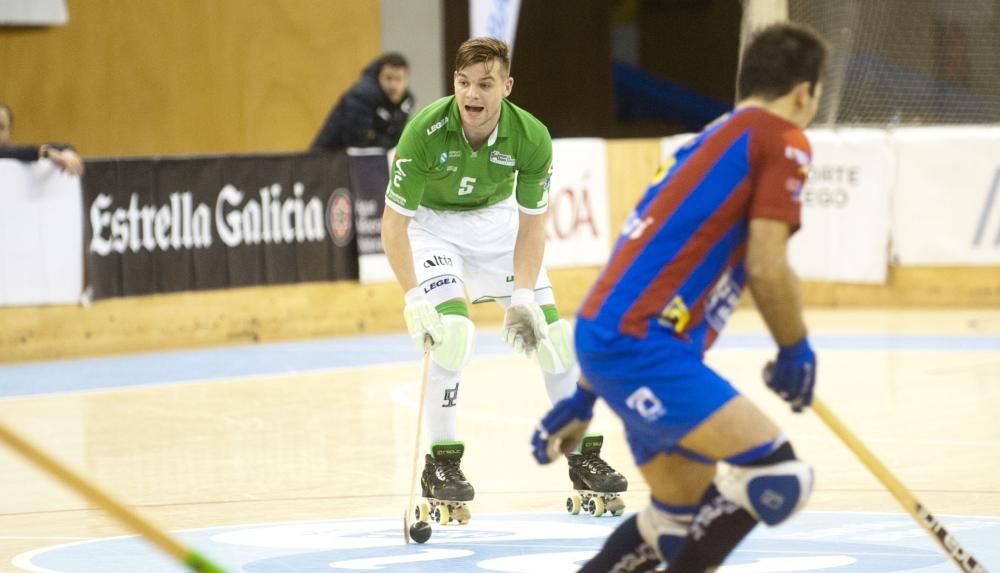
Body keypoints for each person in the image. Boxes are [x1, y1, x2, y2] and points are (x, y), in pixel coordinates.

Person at [530, 22, 828, 571]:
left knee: (677, 518)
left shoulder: (706, 141)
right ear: (804, 93)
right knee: (778, 475)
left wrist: (583, 396)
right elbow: (767, 264)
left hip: (609, 334)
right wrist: (794, 348)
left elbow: (632, 268)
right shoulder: (782, 138)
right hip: (644, 346)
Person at [382, 37, 627, 525]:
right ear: (454, 82)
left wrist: (521, 297)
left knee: (554, 338)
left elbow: (532, 224)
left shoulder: (531, 137)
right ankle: (442, 465)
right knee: (452, 338)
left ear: (506, 87)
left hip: (498, 228)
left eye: (485, 84)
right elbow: (394, 225)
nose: (472, 95)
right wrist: (413, 300)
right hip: (433, 229)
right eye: (464, 83)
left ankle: (582, 457)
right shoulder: (424, 132)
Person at [310, 52, 414, 151]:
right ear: (378, 77)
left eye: (399, 79)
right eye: (388, 78)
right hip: (330, 159)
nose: (393, 86)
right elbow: (356, 143)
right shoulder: (361, 97)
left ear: (406, 80)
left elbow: (396, 140)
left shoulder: (406, 103)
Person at [0, 103, 84, 175]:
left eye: (1, 127)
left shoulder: (19, 155)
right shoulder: (26, 153)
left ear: (10, 132)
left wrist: (66, 151)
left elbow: (19, 152)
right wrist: (45, 153)